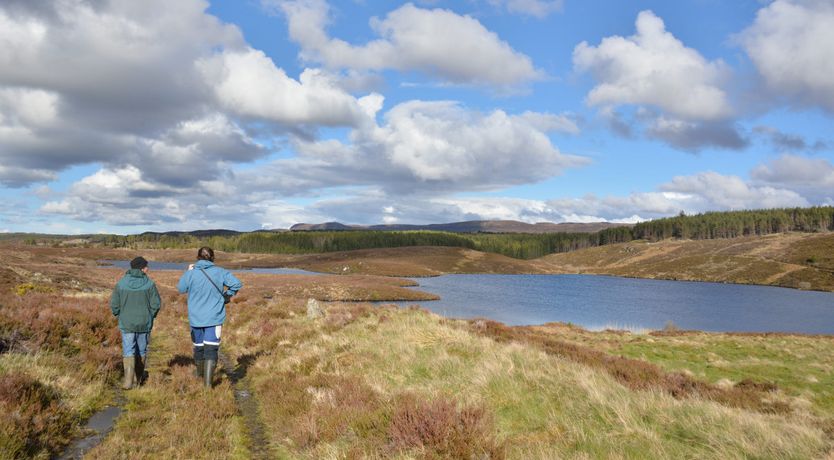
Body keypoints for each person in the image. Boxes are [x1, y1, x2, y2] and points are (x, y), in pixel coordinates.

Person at [177, 247, 242, 387]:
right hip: (214, 317)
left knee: (199, 348)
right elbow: (237, 284)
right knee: (211, 349)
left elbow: (181, 289)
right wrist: (227, 296)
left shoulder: (191, 273)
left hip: (195, 319)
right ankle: (207, 386)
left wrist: (188, 272)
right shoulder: (220, 272)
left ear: (198, 257)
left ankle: (200, 375)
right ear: (212, 258)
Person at [110, 256, 162, 390]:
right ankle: (138, 380)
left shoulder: (121, 283)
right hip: (144, 323)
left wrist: (119, 315)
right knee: (142, 350)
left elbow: (114, 304)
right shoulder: (150, 284)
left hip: (127, 323)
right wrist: (151, 316)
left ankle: (128, 381)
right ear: (141, 268)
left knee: (128, 350)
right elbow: (156, 304)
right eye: (146, 266)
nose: (148, 268)